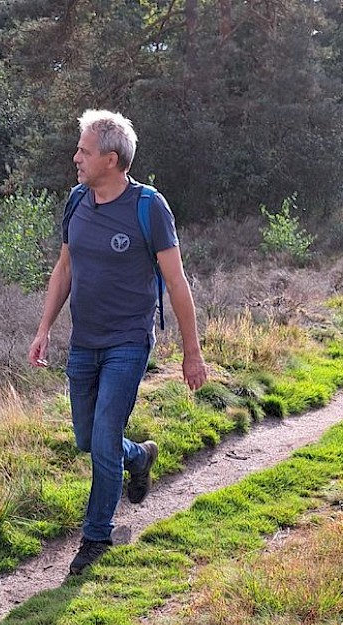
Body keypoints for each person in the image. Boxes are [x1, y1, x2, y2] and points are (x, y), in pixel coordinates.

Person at [28, 109, 208, 575]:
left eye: (84, 152)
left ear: (111, 159)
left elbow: (177, 282)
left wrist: (192, 352)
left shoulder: (149, 207)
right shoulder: (76, 202)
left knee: (103, 440)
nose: (76, 158)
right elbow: (64, 268)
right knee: (89, 439)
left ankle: (96, 537)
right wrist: (44, 328)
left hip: (128, 341)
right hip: (84, 342)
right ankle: (140, 455)